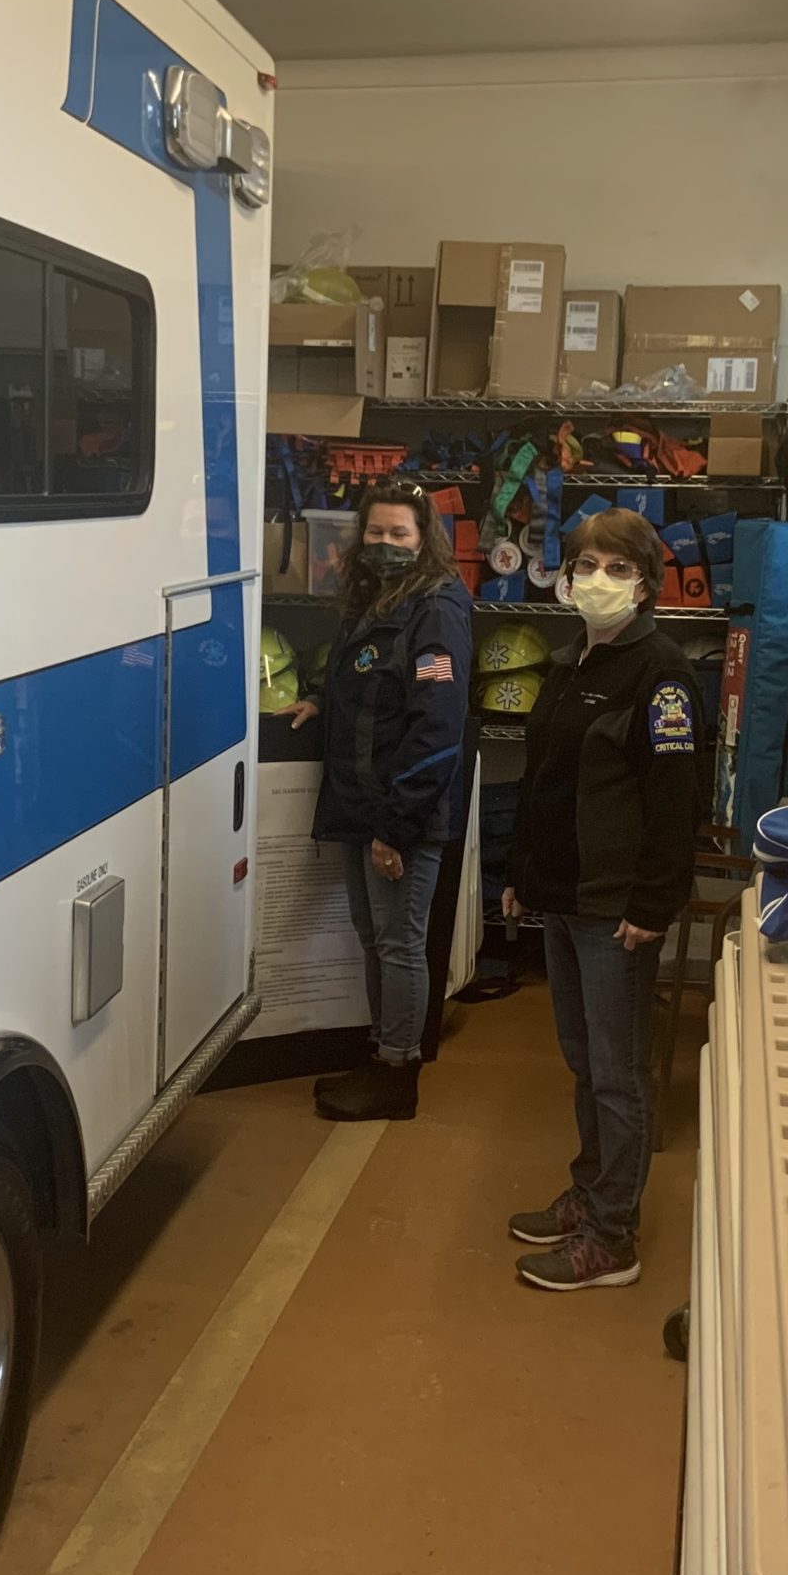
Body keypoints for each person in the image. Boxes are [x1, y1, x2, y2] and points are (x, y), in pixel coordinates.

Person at [502, 509, 703, 1290]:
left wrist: (654, 905)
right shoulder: (567, 665)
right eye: (586, 564)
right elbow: (543, 787)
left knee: (619, 1074)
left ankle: (614, 1236)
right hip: (564, 897)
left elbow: (674, 801)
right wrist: (520, 872)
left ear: (648, 584)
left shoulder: (663, 678)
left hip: (617, 908)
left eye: (617, 569)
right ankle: (590, 1195)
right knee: (585, 1063)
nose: (597, 580)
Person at [286, 480, 473, 1121]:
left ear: (424, 539)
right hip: (361, 809)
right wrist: (320, 700)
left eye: (400, 534)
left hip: (401, 814)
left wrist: (397, 825)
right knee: (374, 938)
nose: (386, 544)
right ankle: (379, 1051)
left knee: (399, 943)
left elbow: (437, 724)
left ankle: (399, 1072)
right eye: (376, 532)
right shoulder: (373, 601)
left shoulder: (438, 609)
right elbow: (367, 683)